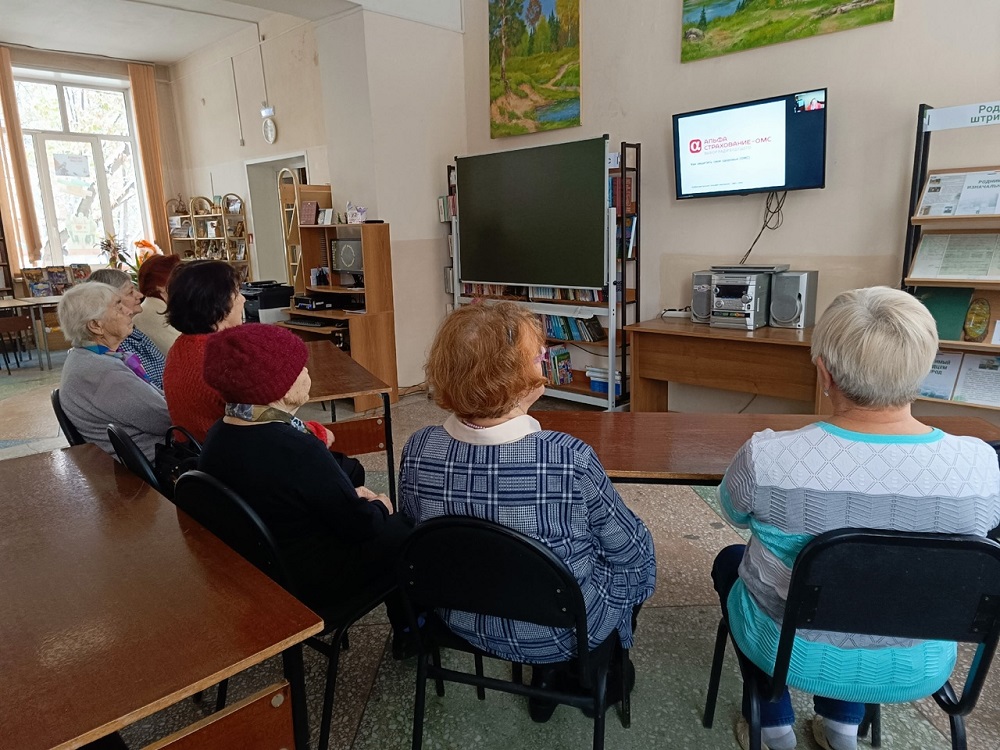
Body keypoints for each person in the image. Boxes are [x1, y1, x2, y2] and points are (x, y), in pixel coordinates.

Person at [712, 286, 1000, 750]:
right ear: (926, 367)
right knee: (877, 589)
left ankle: (774, 726)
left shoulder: (768, 455)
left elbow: (733, 511)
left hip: (791, 653)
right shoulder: (982, 465)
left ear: (824, 372)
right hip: (918, 661)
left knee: (732, 562)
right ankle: (842, 729)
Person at [399, 302, 656, 721]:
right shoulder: (569, 459)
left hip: (460, 617)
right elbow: (630, 551)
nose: (543, 359)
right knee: (633, 563)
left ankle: (546, 683)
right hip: (560, 633)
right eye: (538, 355)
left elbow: (418, 530)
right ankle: (592, 672)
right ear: (515, 379)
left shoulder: (419, 448)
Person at [197, 323, 413, 647]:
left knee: (356, 484)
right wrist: (380, 505)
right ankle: (411, 631)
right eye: (300, 368)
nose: (307, 373)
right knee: (405, 528)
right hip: (307, 583)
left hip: (258, 571)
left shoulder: (218, 435)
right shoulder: (297, 449)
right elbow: (360, 526)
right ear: (282, 388)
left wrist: (348, 496)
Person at [57, 282, 171, 460]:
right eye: (118, 307)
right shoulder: (104, 373)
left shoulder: (88, 355)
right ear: (96, 325)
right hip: (158, 461)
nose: (128, 311)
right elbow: (168, 420)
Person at [162, 260, 245, 442]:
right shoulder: (220, 358)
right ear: (218, 302)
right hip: (227, 453)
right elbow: (265, 420)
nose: (243, 299)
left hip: (197, 450)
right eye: (237, 293)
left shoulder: (182, 345)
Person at [88, 268, 167, 389]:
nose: (140, 295)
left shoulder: (132, 332)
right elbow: (147, 390)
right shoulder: (116, 343)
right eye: (130, 292)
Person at [133, 253, 181, 356]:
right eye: (178, 278)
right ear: (160, 286)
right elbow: (186, 353)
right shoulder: (154, 313)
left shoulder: (156, 307)